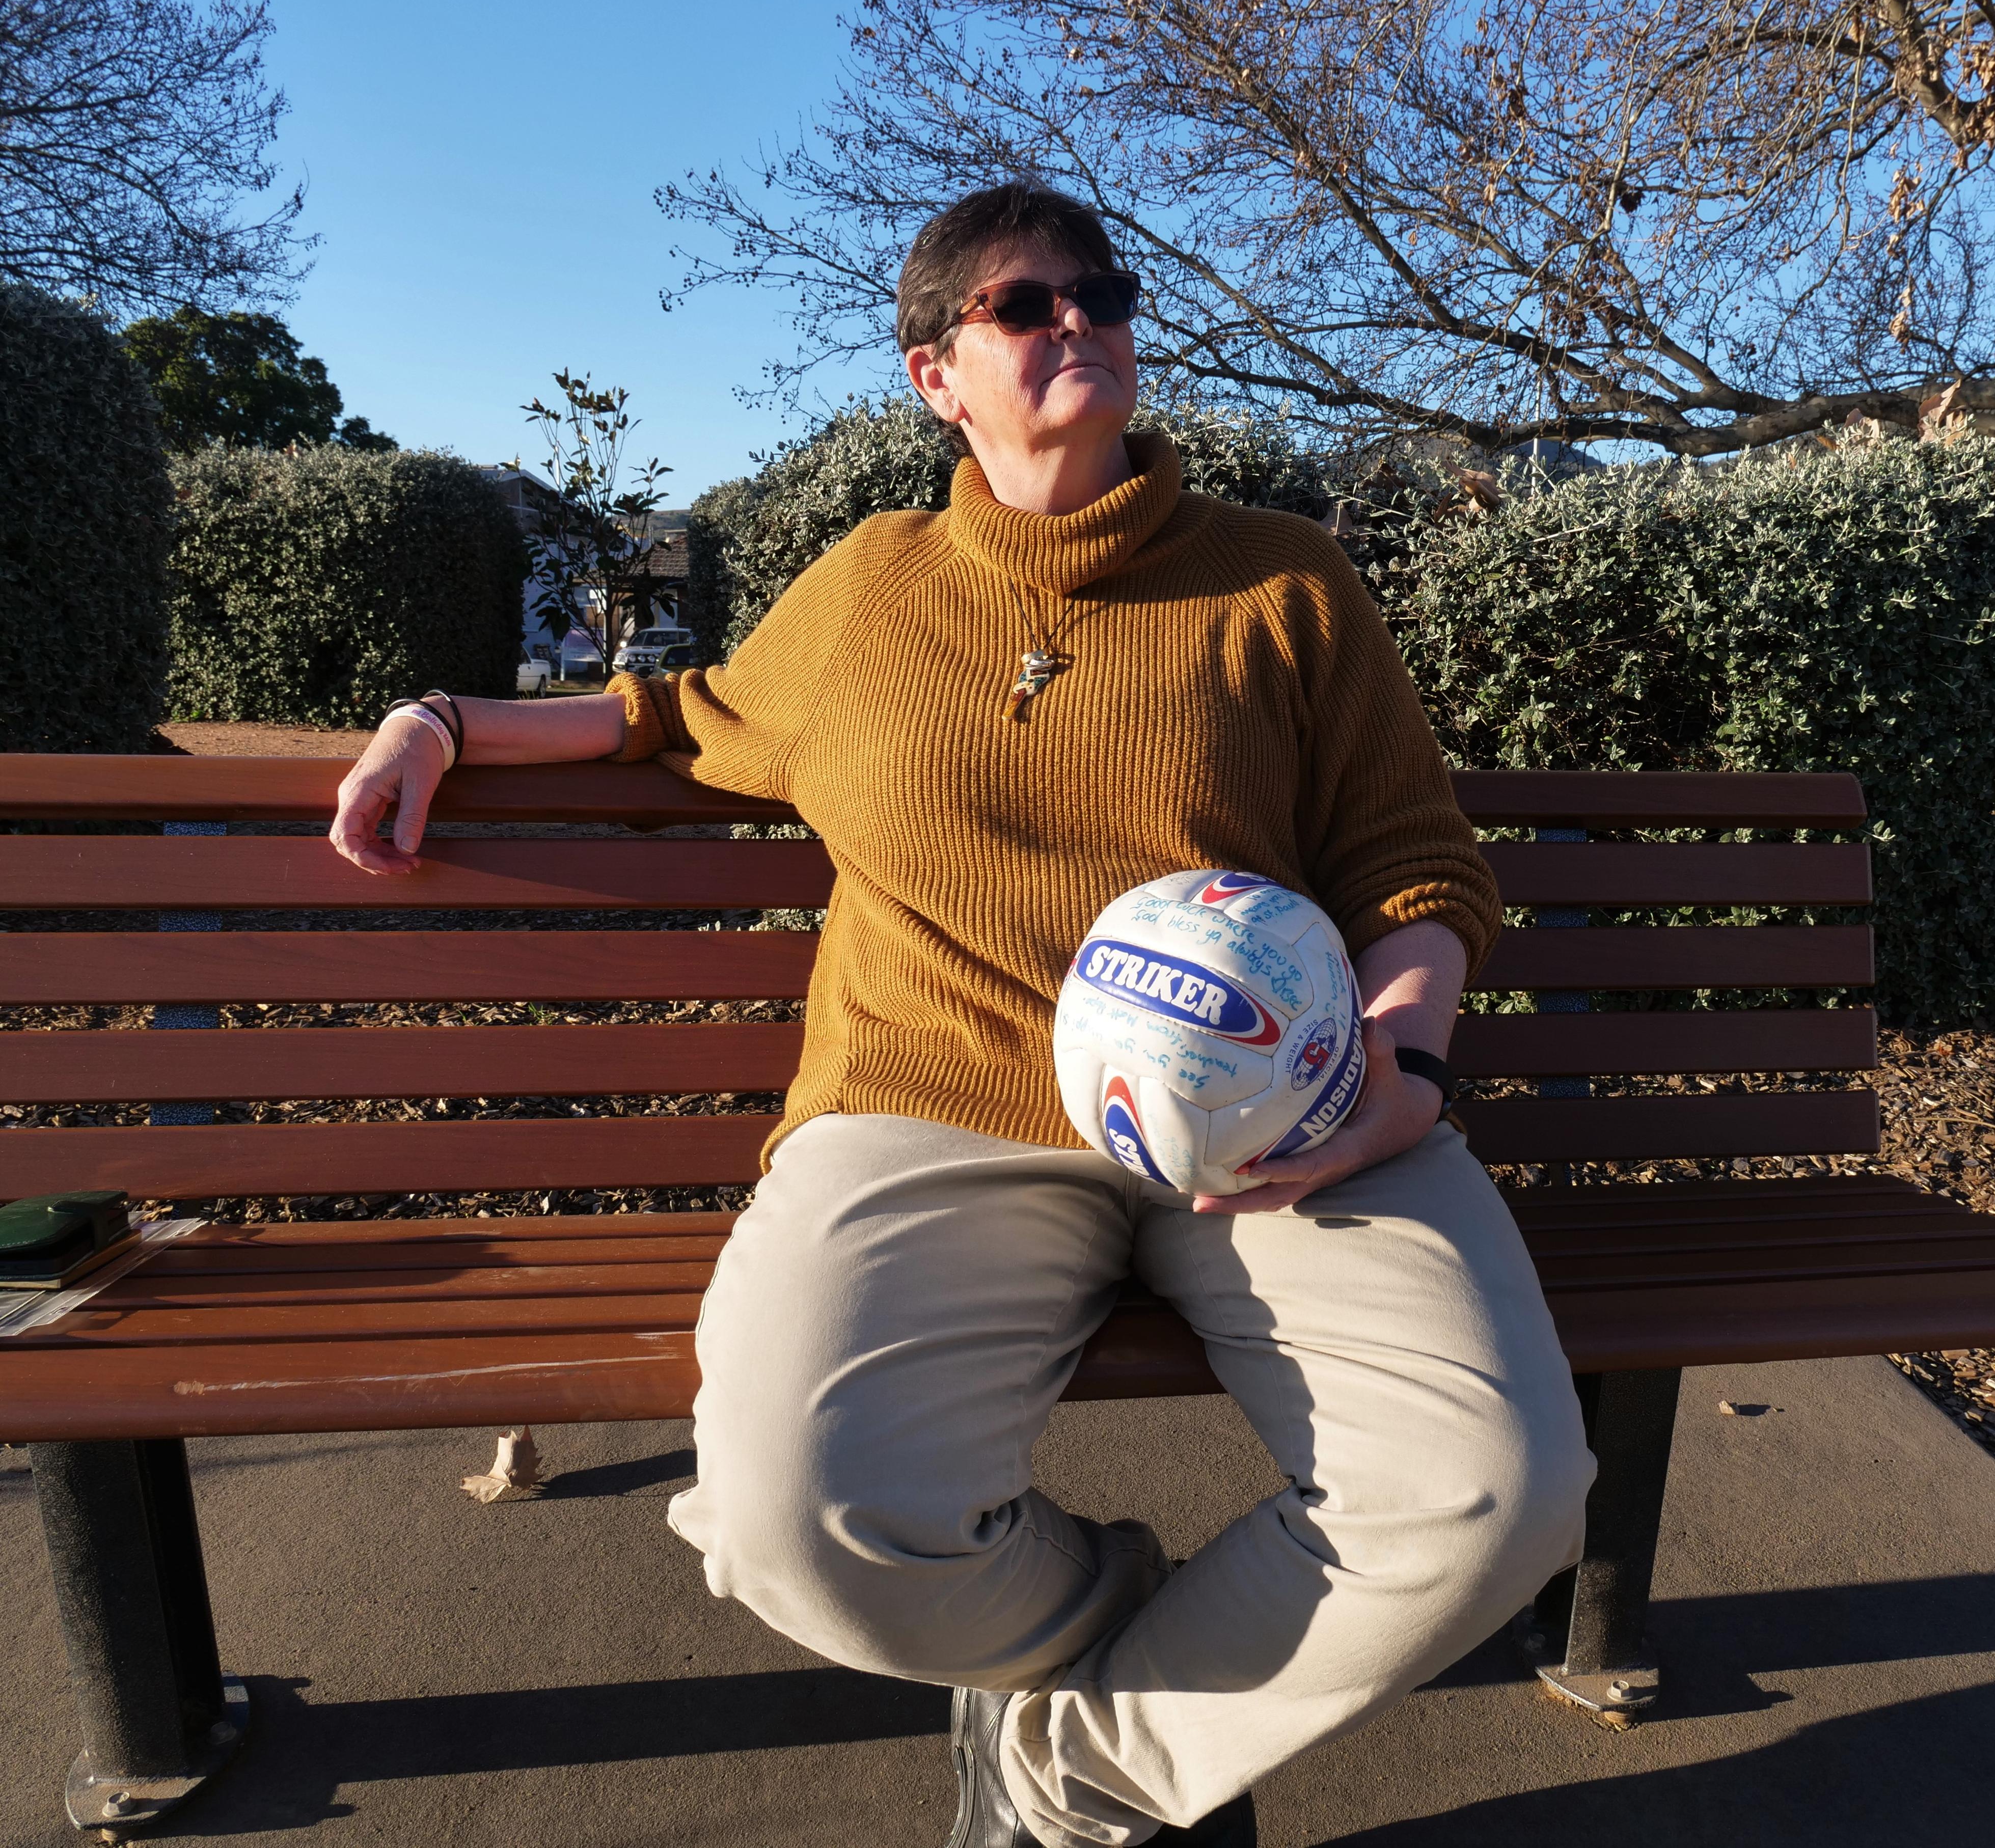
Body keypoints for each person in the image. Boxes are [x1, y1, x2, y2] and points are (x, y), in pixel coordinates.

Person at [330, 182, 1593, 1848]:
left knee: (1494, 1501)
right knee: (794, 1527)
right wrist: (436, 718)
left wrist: (1407, 1062)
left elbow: (1414, 864)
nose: (1078, 320)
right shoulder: (871, 592)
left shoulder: (1283, 585)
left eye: (1103, 291)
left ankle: (1069, 1777)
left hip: (1286, 1117)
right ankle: (1113, 1621)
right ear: (936, 374)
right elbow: (675, 712)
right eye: (1024, 305)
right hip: (928, 1106)